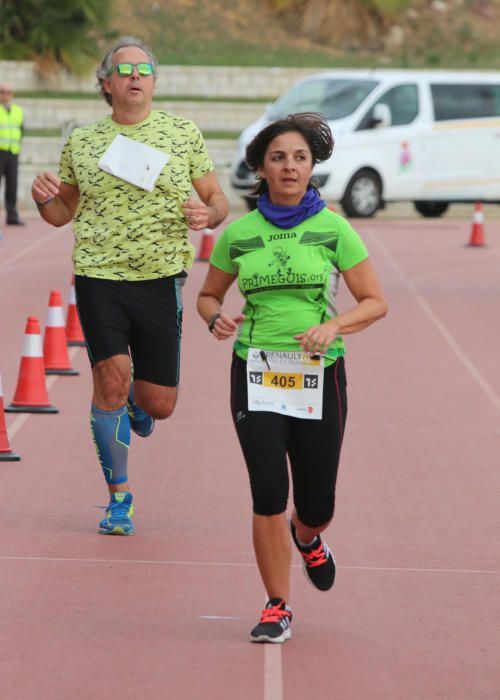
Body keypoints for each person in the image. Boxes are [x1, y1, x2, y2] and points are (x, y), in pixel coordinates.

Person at [197, 113, 387, 643]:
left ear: (311, 167)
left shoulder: (333, 228)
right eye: (278, 157)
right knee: (266, 490)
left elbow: (375, 302)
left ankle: (307, 538)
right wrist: (215, 317)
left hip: (319, 375)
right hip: (256, 369)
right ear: (261, 167)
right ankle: (277, 604)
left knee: (318, 502)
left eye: (299, 157)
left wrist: (334, 325)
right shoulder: (239, 234)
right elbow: (208, 294)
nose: (289, 166)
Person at [31, 36, 228, 535]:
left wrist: (209, 214)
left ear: (155, 82)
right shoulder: (83, 141)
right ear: (107, 83)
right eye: (125, 69)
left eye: (145, 69)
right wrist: (43, 199)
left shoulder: (182, 134)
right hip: (99, 278)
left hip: (161, 278)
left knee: (159, 403)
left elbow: (217, 199)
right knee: (111, 378)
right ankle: (119, 497)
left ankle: (139, 407)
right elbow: (62, 214)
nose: (135, 76)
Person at [0, 82, 24, 225]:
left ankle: (12, 216)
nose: (6, 95)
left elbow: (21, 130)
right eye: (3, 92)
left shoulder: (18, 111)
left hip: (13, 153)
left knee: (12, 186)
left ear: (12, 94)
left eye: (8, 92)